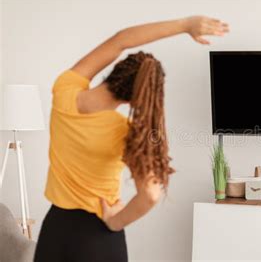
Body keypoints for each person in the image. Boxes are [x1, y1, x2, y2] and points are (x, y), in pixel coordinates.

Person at [34, 16, 229, 262]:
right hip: (98, 238)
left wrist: (184, 25)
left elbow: (121, 40)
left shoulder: (64, 90)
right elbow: (151, 194)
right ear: (138, 99)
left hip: (55, 230)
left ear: (116, 69)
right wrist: (115, 222)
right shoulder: (124, 131)